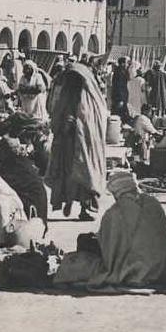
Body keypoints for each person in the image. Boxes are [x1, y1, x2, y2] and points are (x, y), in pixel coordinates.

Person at [54, 170, 166, 289]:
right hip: (163, 270)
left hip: (135, 271)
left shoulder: (115, 212)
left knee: (74, 262)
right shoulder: (154, 203)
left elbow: (109, 252)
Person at [45, 62, 108, 222]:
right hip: (67, 143)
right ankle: (68, 201)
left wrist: (78, 123)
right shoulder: (66, 94)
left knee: (85, 175)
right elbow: (55, 114)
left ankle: (85, 208)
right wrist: (63, 123)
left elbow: (96, 123)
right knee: (67, 173)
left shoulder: (92, 98)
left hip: (85, 145)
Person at [0, 116, 49, 230]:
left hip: (31, 222)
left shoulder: (11, 168)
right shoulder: (22, 163)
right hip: (40, 220)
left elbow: (0, 189)